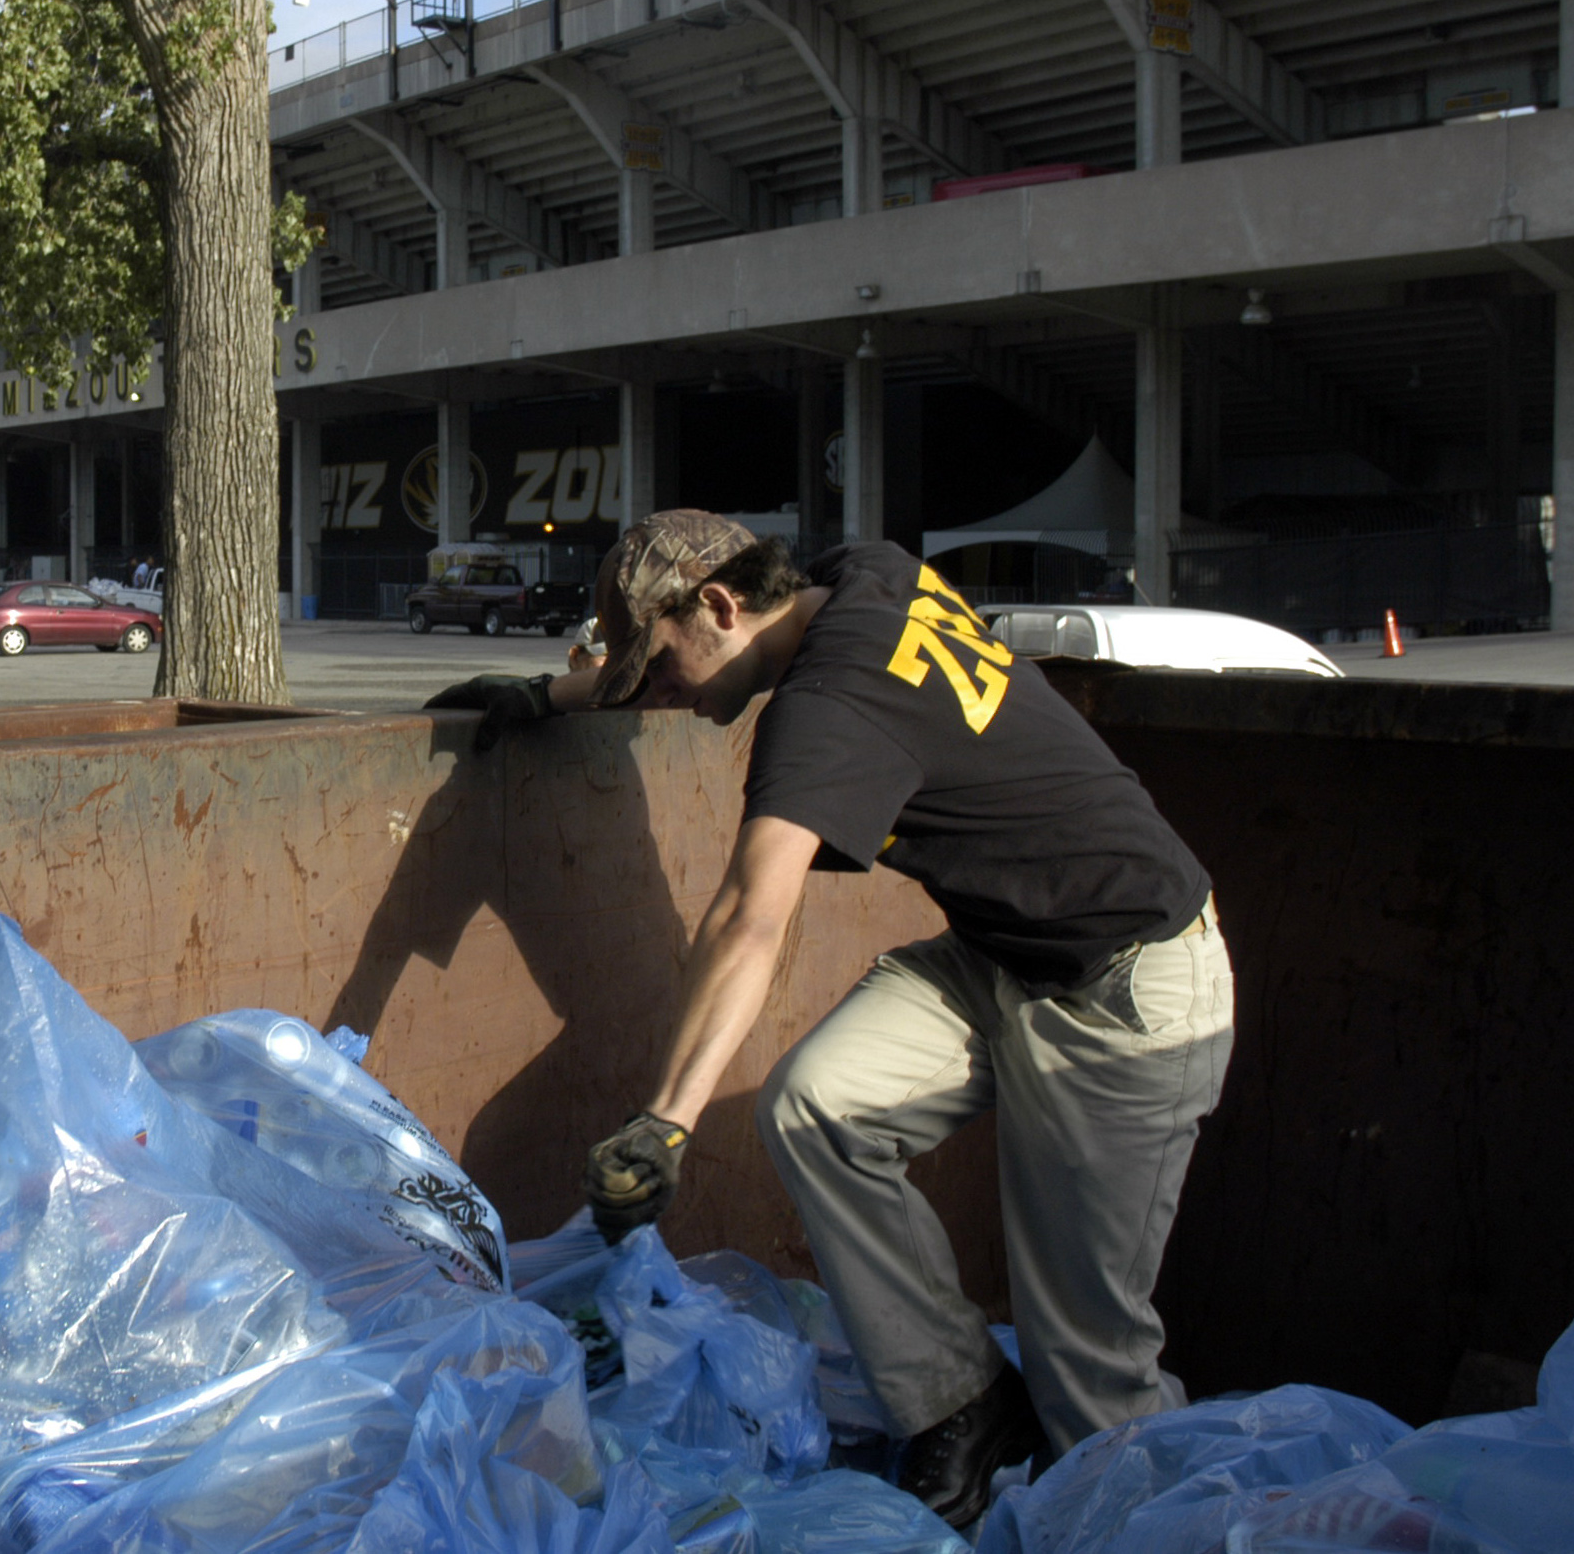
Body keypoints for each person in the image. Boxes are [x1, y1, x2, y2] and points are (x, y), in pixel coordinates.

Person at [423, 511, 1232, 1527]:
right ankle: (964, 1405)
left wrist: (666, 1120)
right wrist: (555, 693)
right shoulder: (861, 578)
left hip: (1127, 988)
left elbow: (748, 917)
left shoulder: (825, 706)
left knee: (1089, 1367)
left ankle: (1163, 1523)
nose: (656, 695)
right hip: (1003, 955)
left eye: (658, 666)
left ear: (719, 605)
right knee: (818, 1104)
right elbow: (718, 658)